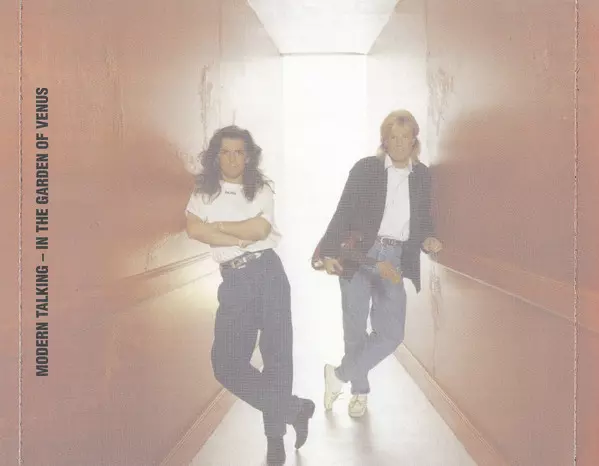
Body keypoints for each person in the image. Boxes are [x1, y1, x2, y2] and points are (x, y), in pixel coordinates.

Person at [185, 125, 315, 465]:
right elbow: (193, 229)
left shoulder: (260, 188)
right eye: (225, 152)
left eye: (239, 152)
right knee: (226, 364)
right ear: (216, 156)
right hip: (233, 281)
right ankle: (295, 409)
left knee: (276, 358)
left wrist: (217, 228)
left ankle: (275, 443)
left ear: (248, 157)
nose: (232, 159)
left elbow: (260, 229)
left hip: (267, 273)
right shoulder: (203, 192)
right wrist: (237, 234)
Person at [314, 110, 443, 418]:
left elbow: (423, 219)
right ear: (384, 140)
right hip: (359, 256)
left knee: (391, 334)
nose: (399, 143)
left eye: (405, 137)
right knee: (355, 330)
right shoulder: (366, 168)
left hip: (393, 260)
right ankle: (359, 392)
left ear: (414, 141)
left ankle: (338, 375)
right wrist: (328, 252)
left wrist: (428, 239)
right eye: (393, 137)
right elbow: (343, 210)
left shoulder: (422, 175)